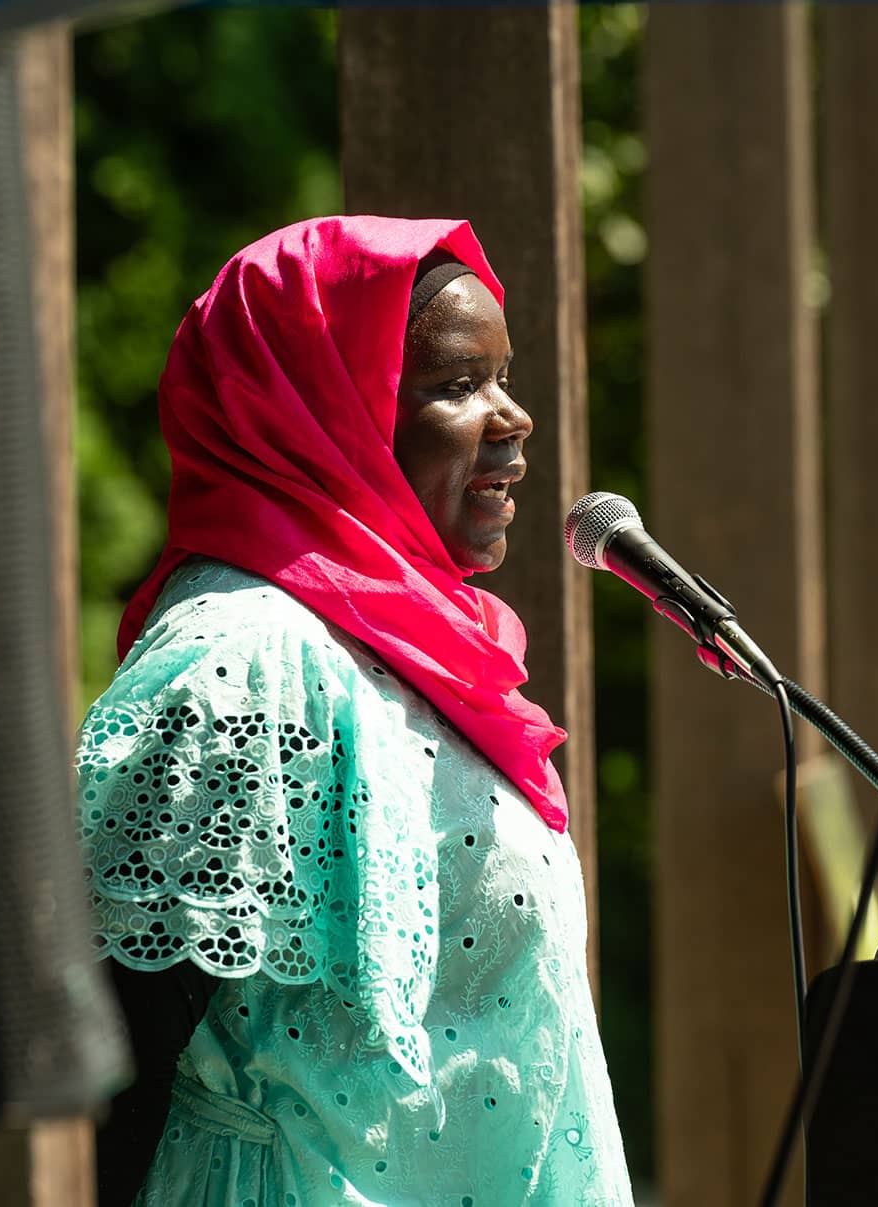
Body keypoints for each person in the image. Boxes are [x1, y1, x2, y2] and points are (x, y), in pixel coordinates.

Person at [77, 215, 632, 1206]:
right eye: (457, 386)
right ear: (318, 410)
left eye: (502, 376)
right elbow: (114, 1060)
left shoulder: (421, 648)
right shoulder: (238, 661)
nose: (512, 418)